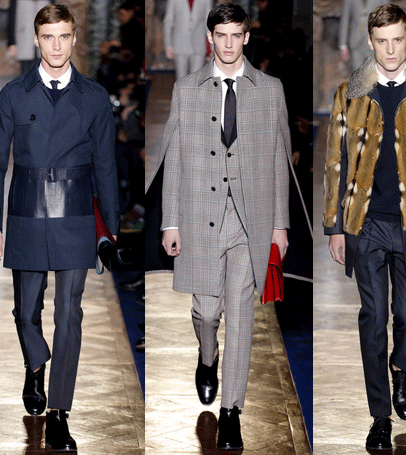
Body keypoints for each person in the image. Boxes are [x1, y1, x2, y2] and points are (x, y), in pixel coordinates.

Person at [146, 3, 290, 450]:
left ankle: (231, 412)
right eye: (221, 35)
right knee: (207, 312)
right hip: (199, 217)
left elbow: (278, 160)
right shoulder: (187, 89)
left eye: (236, 35)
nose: (228, 44)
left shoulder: (270, 89)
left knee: (242, 313)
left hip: (251, 220)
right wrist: (170, 221)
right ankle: (206, 358)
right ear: (210, 38)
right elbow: (174, 160)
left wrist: (280, 226)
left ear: (246, 36)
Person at [0, 4, 118, 452]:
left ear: (74, 38)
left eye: (64, 36)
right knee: (25, 312)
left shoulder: (94, 97)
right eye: (48, 37)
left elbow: (106, 164)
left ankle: (59, 412)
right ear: (36, 40)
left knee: (69, 312)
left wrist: (110, 228)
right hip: (26, 211)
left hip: (76, 213)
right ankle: (35, 365)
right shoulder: (13, 95)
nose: (56, 46)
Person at [323, 4, 406, 451]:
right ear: (371, 42)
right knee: (374, 318)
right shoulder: (350, 93)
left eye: (398, 40)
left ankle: (402, 368)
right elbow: (336, 163)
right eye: (382, 41)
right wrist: (335, 227)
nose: (391, 49)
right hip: (366, 224)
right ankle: (379, 416)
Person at [163, 0, 211, 79]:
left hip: (199, 45)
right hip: (179, 45)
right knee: (181, 79)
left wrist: (212, 47)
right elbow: (168, 21)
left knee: (197, 80)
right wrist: (168, 45)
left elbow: (208, 22)